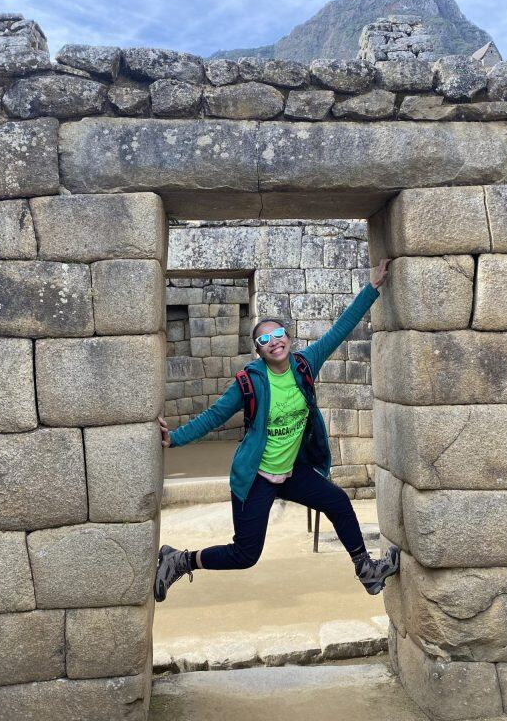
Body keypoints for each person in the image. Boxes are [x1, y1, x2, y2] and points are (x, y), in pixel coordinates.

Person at [154, 258, 400, 602]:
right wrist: (175, 438)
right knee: (245, 554)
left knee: (338, 501)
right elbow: (214, 416)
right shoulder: (249, 382)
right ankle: (179, 560)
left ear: (288, 337)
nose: (273, 341)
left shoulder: (305, 364)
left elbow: (341, 329)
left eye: (278, 334)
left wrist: (372, 287)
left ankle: (367, 570)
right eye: (264, 339)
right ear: (258, 350)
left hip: (292, 472)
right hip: (256, 476)